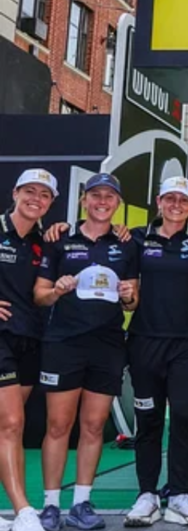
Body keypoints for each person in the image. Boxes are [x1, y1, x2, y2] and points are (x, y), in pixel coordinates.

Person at [119, 177, 188, 527]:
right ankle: (146, 495)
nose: (176, 205)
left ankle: (180, 494)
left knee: (183, 415)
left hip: (187, 344)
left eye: (183, 201)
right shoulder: (137, 237)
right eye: (170, 198)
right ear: (159, 201)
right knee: (149, 420)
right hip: (144, 342)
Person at [33, 173, 139, 531]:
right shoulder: (60, 239)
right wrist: (57, 291)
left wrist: (128, 296)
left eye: (109, 196)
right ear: (84, 200)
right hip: (63, 343)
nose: (102, 202)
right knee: (58, 425)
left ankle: (81, 503)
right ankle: (50, 506)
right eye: (96, 195)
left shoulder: (126, 244)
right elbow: (40, 295)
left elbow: (131, 301)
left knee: (93, 426)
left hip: (107, 345)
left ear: (118, 203)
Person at [0, 170, 59, 531]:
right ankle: (24, 511)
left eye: (44, 194)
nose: (36, 199)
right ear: (15, 192)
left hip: (31, 339)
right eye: (30, 191)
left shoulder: (45, 241)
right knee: (10, 423)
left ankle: (15, 510)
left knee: (11, 428)